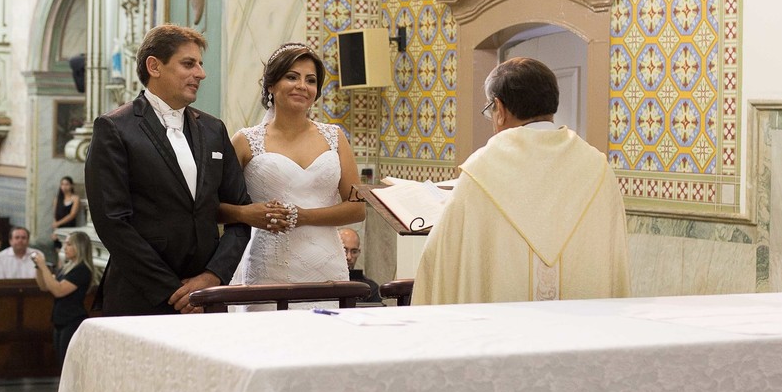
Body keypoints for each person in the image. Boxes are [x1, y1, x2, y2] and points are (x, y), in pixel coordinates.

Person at [412, 57, 631, 305]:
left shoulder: (482, 169)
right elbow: (614, 259)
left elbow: (439, 259)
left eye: (490, 110)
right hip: (582, 330)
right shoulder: (597, 167)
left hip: (504, 332)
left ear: (500, 109)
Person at [86, 24, 252, 316]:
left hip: (207, 297)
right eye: (188, 64)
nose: (200, 73)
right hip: (141, 297)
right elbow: (112, 222)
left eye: (200, 64)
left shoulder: (214, 130)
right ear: (154, 66)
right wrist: (171, 291)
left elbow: (241, 214)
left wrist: (212, 276)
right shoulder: (115, 128)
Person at [220, 43, 365, 299]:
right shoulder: (244, 141)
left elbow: (357, 208)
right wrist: (247, 214)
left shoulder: (335, 137)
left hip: (326, 264)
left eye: (310, 80)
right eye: (292, 77)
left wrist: (303, 216)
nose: (302, 86)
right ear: (271, 85)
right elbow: (215, 206)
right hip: (270, 265)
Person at [32, 231, 99, 364]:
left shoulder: (82, 270)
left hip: (72, 320)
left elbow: (58, 291)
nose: (65, 248)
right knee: (60, 360)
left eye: (69, 244)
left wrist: (44, 266)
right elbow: (44, 286)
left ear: (79, 247)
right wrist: (38, 268)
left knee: (67, 362)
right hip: (60, 319)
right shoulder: (67, 267)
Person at [338, 227, 382, 304]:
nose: (349, 257)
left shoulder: (370, 288)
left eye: (354, 252)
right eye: (344, 250)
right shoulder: (321, 283)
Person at [51, 176, 81, 248]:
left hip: (70, 228)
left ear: (71, 185)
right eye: (62, 184)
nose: (64, 186)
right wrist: (55, 231)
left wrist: (58, 223)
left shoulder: (75, 198)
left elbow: (72, 214)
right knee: (59, 251)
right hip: (59, 229)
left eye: (66, 184)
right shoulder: (57, 199)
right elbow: (55, 216)